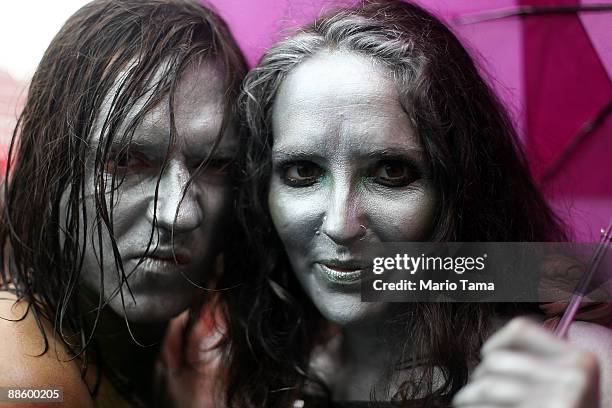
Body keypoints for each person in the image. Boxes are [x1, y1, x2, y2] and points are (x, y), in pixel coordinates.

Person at [222, 0, 612, 406]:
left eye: (391, 172)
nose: (340, 224)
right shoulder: (284, 376)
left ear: (457, 189)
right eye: (302, 172)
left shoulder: (580, 367)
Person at [0, 0, 246, 406]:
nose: (179, 214)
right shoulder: (28, 381)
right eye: (127, 161)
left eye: (216, 165)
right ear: (50, 165)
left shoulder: (186, 360)